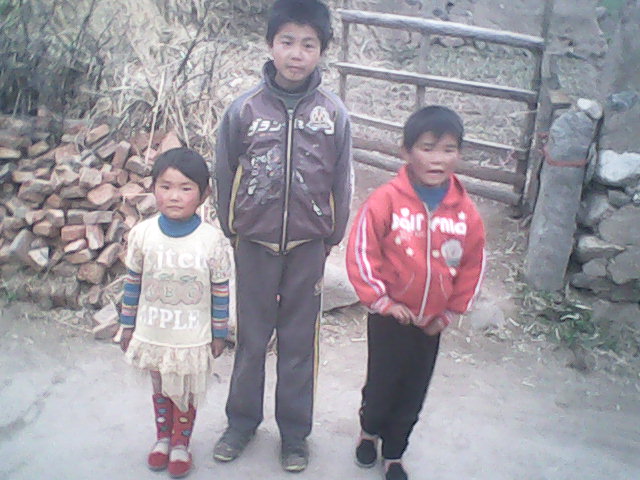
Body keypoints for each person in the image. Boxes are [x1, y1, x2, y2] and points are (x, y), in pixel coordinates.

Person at [213, 0, 352, 472]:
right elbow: (224, 171)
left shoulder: (333, 114)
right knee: (252, 339)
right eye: (287, 41)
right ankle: (241, 423)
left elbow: (342, 179)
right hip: (253, 242)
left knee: (298, 344)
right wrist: (233, 228)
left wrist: (332, 233)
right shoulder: (244, 110)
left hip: (308, 246)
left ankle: (294, 435)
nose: (296, 53)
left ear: (322, 51)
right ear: (270, 44)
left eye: (308, 44)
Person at [345, 106, 485, 480]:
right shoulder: (386, 200)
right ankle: (368, 432)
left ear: (460, 154)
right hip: (389, 316)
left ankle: (394, 453)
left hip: (430, 323)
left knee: (413, 391)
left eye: (448, 149)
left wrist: (449, 313)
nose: (438, 159)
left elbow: (473, 264)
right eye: (427, 148)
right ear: (406, 151)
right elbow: (362, 251)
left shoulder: (465, 213)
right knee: (381, 385)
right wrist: (381, 300)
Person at [119, 147, 231, 478]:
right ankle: (162, 440)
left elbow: (220, 289)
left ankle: (181, 444)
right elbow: (133, 283)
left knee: (185, 388)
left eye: (185, 188)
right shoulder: (143, 234)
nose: (174, 196)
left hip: (191, 335)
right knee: (159, 385)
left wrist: (219, 332)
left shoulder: (211, 240)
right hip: (153, 331)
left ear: (204, 194)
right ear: (153, 188)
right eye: (165, 187)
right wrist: (127, 326)